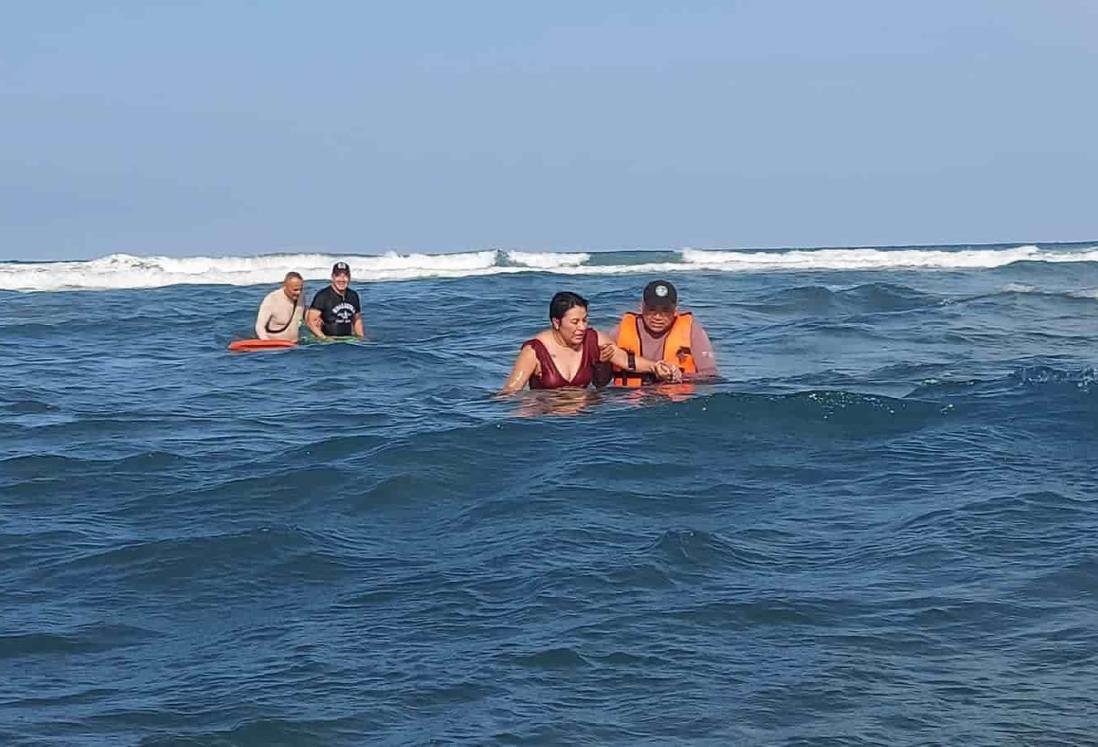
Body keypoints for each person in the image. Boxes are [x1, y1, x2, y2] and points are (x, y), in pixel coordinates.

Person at [501, 291, 680, 394]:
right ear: (556, 322)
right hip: (549, 421)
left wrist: (656, 366)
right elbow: (510, 392)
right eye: (575, 322)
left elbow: (627, 361)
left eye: (585, 320)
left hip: (587, 420)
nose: (581, 327)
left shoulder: (593, 339)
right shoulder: (534, 351)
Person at [605, 279, 718, 386]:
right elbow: (600, 380)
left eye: (665, 310)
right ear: (642, 306)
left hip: (676, 399)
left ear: (675, 309)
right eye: (652, 309)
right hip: (629, 401)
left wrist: (681, 377)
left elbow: (710, 377)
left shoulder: (693, 333)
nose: (658, 317)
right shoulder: (618, 333)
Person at [306, 262, 364, 339]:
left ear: (349, 277)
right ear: (332, 277)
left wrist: (361, 339)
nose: (342, 280)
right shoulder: (322, 296)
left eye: (345, 276)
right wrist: (325, 339)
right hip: (328, 341)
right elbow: (311, 322)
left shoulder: (353, 295)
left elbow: (357, 320)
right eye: (338, 276)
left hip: (348, 340)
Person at [255, 272, 305, 341]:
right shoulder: (272, 299)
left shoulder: (301, 296)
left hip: (295, 346)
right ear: (285, 286)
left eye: (301, 289)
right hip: (276, 348)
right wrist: (267, 343)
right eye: (295, 290)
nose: (299, 292)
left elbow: (301, 313)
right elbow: (259, 327)